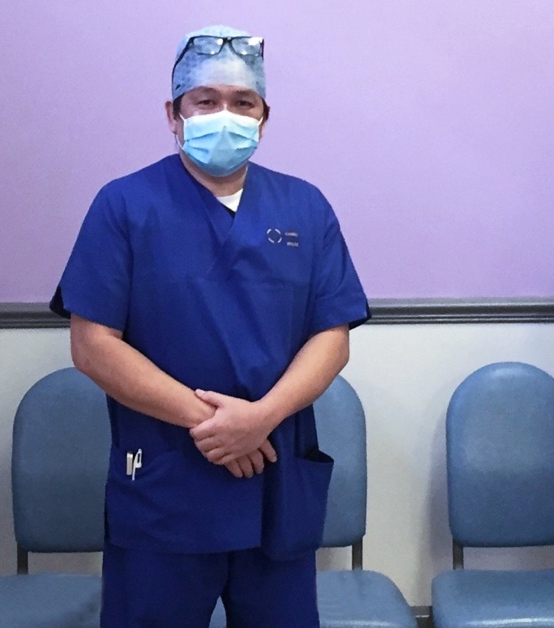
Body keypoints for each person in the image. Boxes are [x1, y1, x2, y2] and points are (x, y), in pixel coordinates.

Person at [50, 25, 369, 627]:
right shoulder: (123, 205)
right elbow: (93, 347)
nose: (225, 115)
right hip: (168, 485)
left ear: (264, 115)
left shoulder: (306, 207)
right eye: (206, 102)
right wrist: (218, 425)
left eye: (242, 103)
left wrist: (261, 419)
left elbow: (333, 336)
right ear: (173, 113)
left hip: (275, 479)